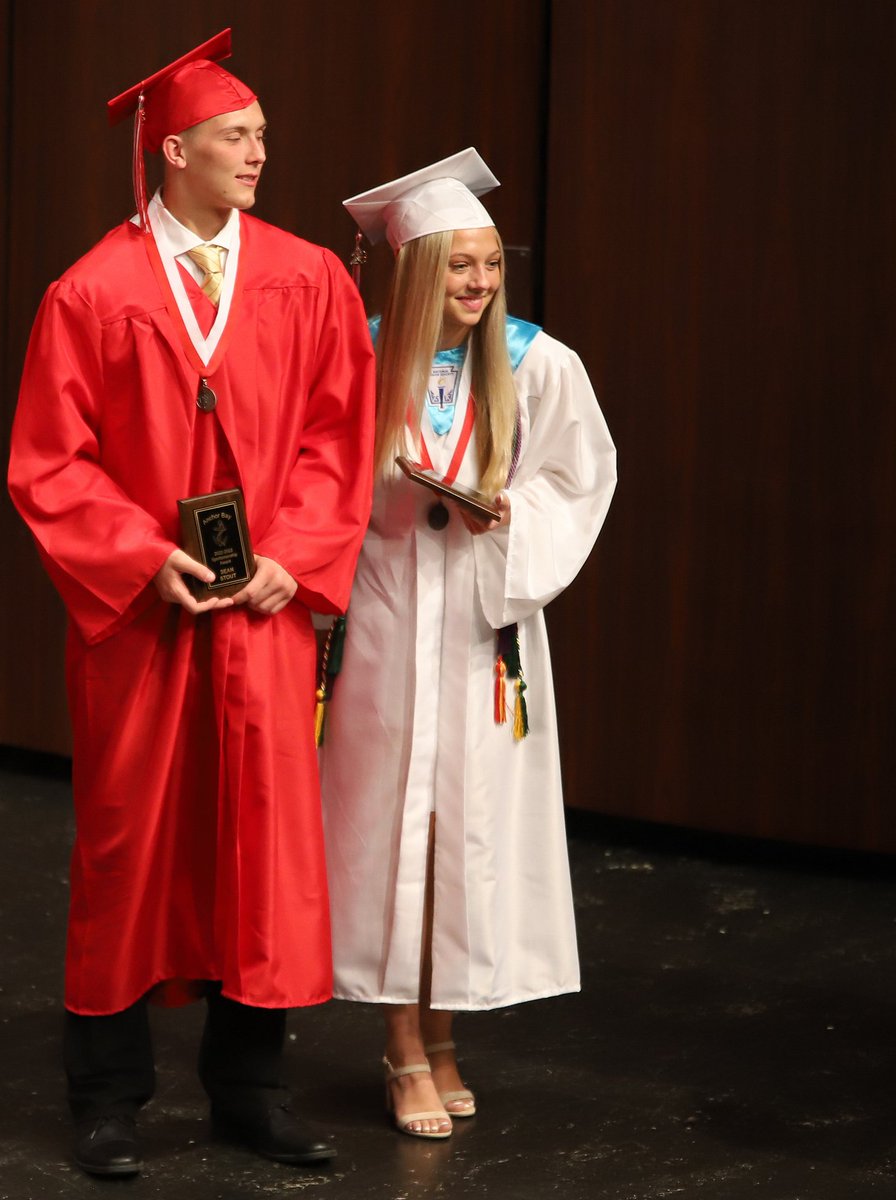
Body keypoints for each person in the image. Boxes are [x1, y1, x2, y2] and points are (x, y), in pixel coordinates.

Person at [7, 29, 374, 1177]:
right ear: (174, 152)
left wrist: (296, 555)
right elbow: (49, 463)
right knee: (130, 844)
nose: (259, 151)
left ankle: (250, 1090)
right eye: (236, 135)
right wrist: (134, 553)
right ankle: (107, 1098)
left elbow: (333, 438)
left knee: (262, 846)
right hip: (146, 623)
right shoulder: (93, 290)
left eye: (261, 134)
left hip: (261, 614)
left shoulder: (305, 275)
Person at [320, 150, 616, 1138]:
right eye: (458, 267)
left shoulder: (538, 361)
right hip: (385, 622)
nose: (480, 284)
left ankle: (446, 1036)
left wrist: (505, 519)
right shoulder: (353, 359)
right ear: (414, 272)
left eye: (490, 264)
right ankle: (402, 1042)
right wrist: (387, 499)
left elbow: (578, 482)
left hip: (485, 629)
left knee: (465, 833)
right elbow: (313, 483)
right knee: (391, 831)